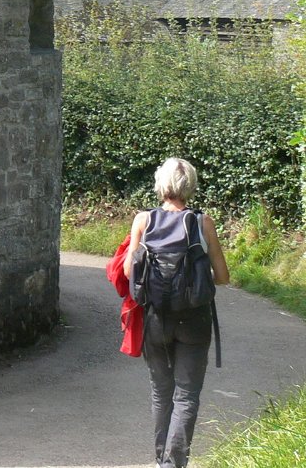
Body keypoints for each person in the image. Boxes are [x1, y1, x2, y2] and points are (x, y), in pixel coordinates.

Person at [123, 157, 230, 468]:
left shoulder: (143, 220)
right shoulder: (202, 222)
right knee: (186, 395)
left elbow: (131, 270)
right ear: (190, 186)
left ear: (162, 185)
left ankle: (161, 459)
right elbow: (223, 277)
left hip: (155, 318)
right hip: (194, 319)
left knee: (161, 392)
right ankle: (172, 464)